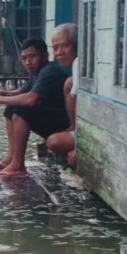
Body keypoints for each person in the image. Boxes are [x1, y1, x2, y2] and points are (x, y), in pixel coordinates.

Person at [0, 37, 71, 179]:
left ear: (45, 56)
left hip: (64, 125)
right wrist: (2, 93)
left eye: (32, 57)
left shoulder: (50, 70)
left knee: (21, 110)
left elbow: (30, 99)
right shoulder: (37, 73)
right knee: (11, 108)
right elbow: (21, 93)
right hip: (53, 119)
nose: (28, 62)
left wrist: (0, 100)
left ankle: (18, 166)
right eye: (24, 58)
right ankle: (11, 158)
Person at [46, 24, 78, 167]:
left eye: (64, 46)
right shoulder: (74, 68)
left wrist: (79, 147)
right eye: (55, 48)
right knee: (69, 83)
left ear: (76, 45)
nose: (58, 52)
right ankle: (73, 129)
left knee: (53, 142)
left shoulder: (78, 64)